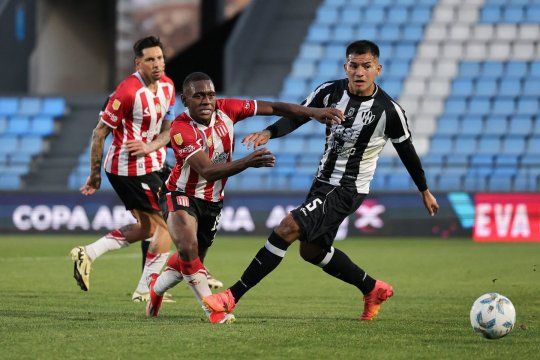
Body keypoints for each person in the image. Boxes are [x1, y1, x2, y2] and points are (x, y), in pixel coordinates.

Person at [203, 40, 440, 321]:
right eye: (354, 65)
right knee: (312, 251)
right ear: (346, 67)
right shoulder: (330, 91)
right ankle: (372, 288)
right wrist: (269, 132)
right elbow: (298, 116)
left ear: (378, 68)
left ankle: (231, 297)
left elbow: (408, 153)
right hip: (322, 182)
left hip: (348, 187)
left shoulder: (389, 111)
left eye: (366, 66)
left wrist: (424, 190)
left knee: (287, 227)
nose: (359, 72)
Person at [145, 71, 344, 324]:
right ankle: (214, 312)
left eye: (210, 94)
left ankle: (156, 288)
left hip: (213, 201)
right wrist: (248, 161)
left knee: (192, 259)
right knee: (187, 246)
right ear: (185, 100)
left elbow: (273, 106)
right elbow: (207, 170)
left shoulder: (228, 109)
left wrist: (313, 112)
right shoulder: (180, 129)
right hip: (180, 193)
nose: (207, 101)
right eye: (198, 96)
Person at [70, 36, 177, 299]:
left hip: (153, 163)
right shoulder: (128, 91)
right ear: (138, 63)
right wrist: (94, 175)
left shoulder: (168, 86)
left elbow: (168, 127)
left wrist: (152, 147)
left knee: (147, 229)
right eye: (150, 59)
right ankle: (145, 290)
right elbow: (99, 133)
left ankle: (89, 253)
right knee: (169, 226)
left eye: (160, 58)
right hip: (128, 169)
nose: (157, 64)